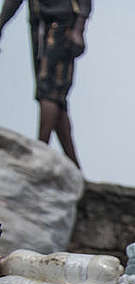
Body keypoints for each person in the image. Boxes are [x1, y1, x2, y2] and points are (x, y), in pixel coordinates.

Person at [0, 0, 91, 168]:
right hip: (40, 23)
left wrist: (79, 27)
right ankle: (74, 167)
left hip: (63, 24)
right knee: (54, 98)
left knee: (49, 92)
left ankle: (40, 153)